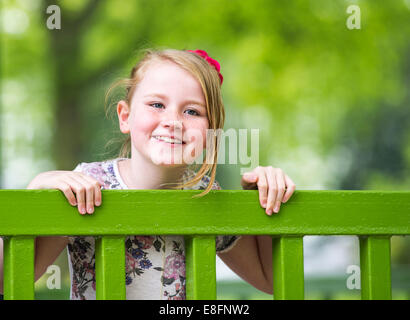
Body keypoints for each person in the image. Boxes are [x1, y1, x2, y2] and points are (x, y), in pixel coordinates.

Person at [0, 48, 296, 300]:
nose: (173, 122)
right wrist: (36, 193)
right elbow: (6, 277)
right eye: (157, 105)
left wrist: (265, 199)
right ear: (125, 117)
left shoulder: (207, 194)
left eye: (192, 112)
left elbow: (270, 280)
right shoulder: (86, 186)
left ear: (211, 132)